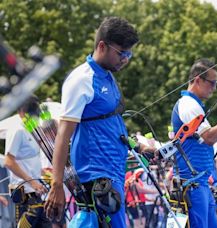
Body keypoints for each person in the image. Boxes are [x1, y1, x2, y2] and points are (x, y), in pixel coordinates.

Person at [44, 17, 140, 227]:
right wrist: (56, 184)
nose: (125, 59)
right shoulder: (82, 79)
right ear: (102, 46)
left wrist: (138, 146)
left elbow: (109, 125)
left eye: (129, 54)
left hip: (113, 170)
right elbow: (62, 135)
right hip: (97, 175)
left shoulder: (107, 76)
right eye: (121, 53)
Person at [171, 58, 217, 227]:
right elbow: (209, 137)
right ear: (197, 80)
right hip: (191, 185)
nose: (214, 88)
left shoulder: (195, 105)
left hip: (200, 184)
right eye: (212, 83)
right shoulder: (188, 104)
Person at [4, 95, 50, 226]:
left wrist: (42, 172)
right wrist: (32, 182)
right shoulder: (16, 130)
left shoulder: (31, 127)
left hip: (38, 192)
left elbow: (29, 157)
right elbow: (9, 161)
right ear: (22, 112)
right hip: (26, 195)